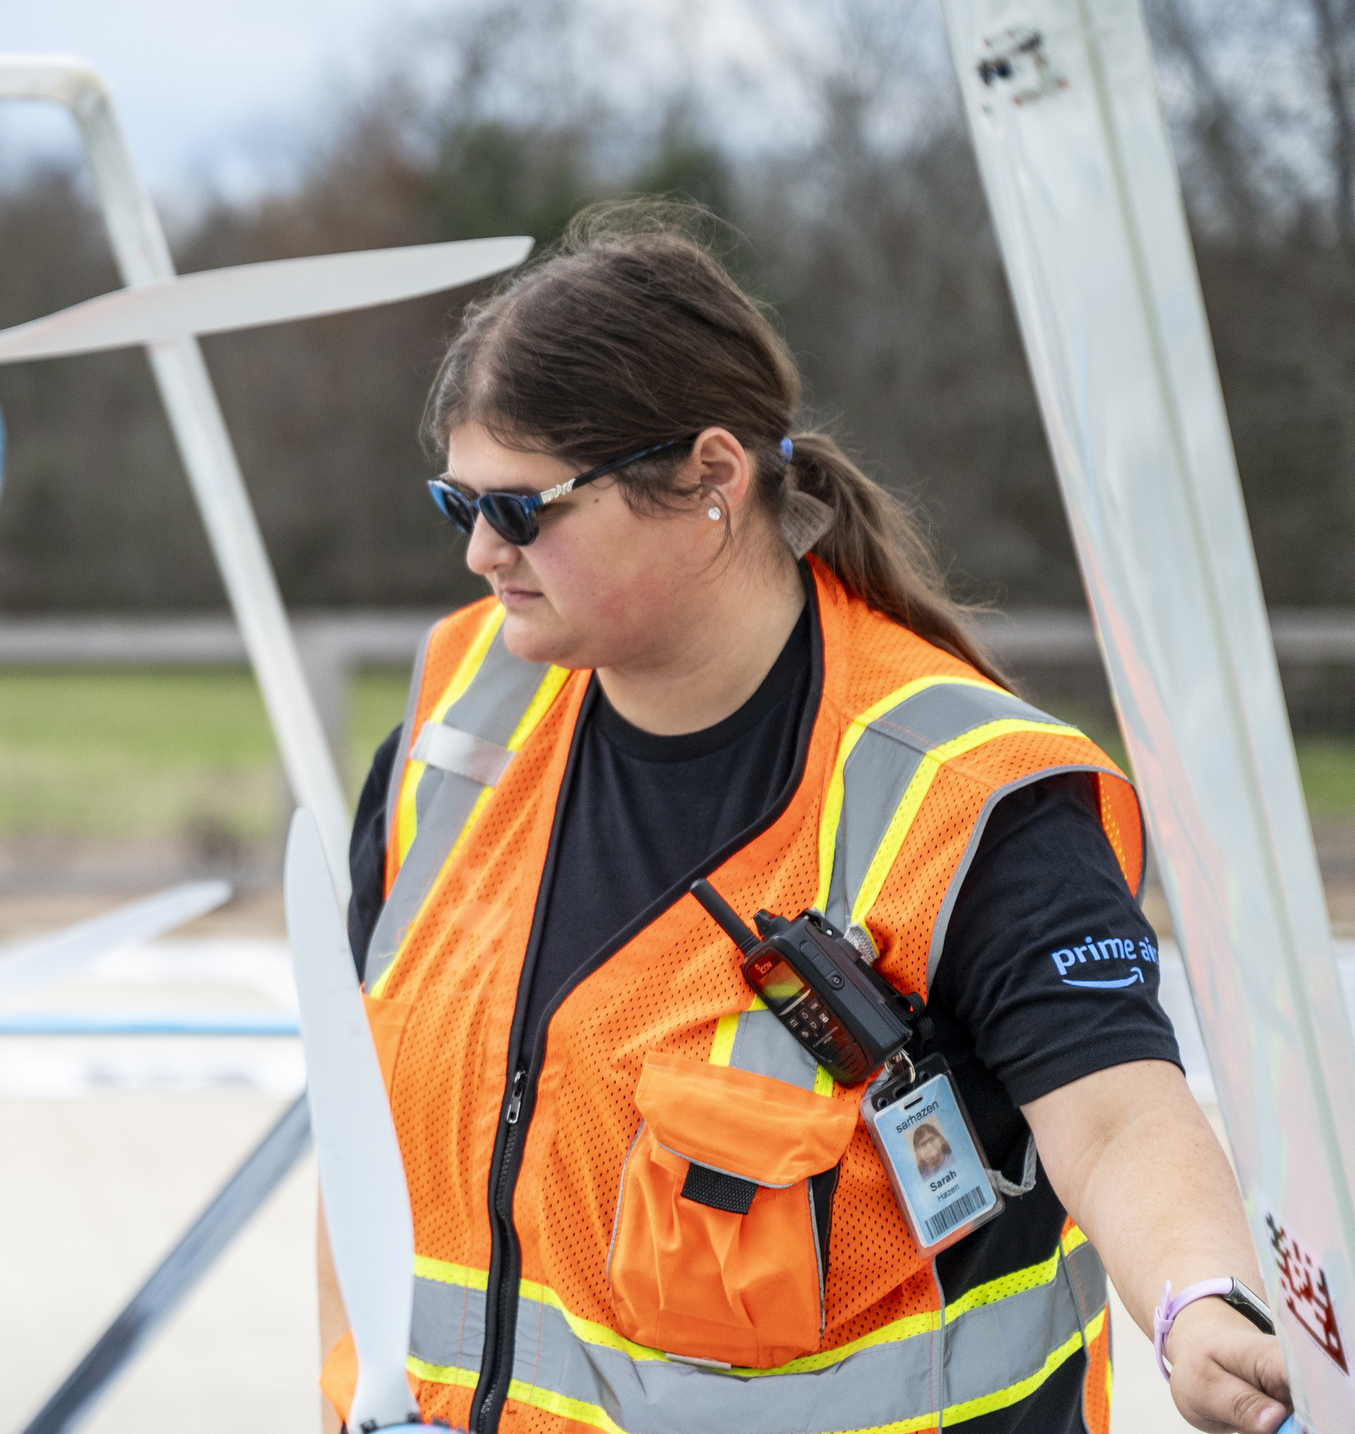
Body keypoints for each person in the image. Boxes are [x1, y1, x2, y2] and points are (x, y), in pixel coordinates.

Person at [318, 202, 1291, 1434]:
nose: (482, 557)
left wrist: (1200, 1303)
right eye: (459, 508)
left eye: (522, 510)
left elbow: (1117, 1119)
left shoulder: (967, 794)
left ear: (712, 478)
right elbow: (369, 1127)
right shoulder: (460, 716)